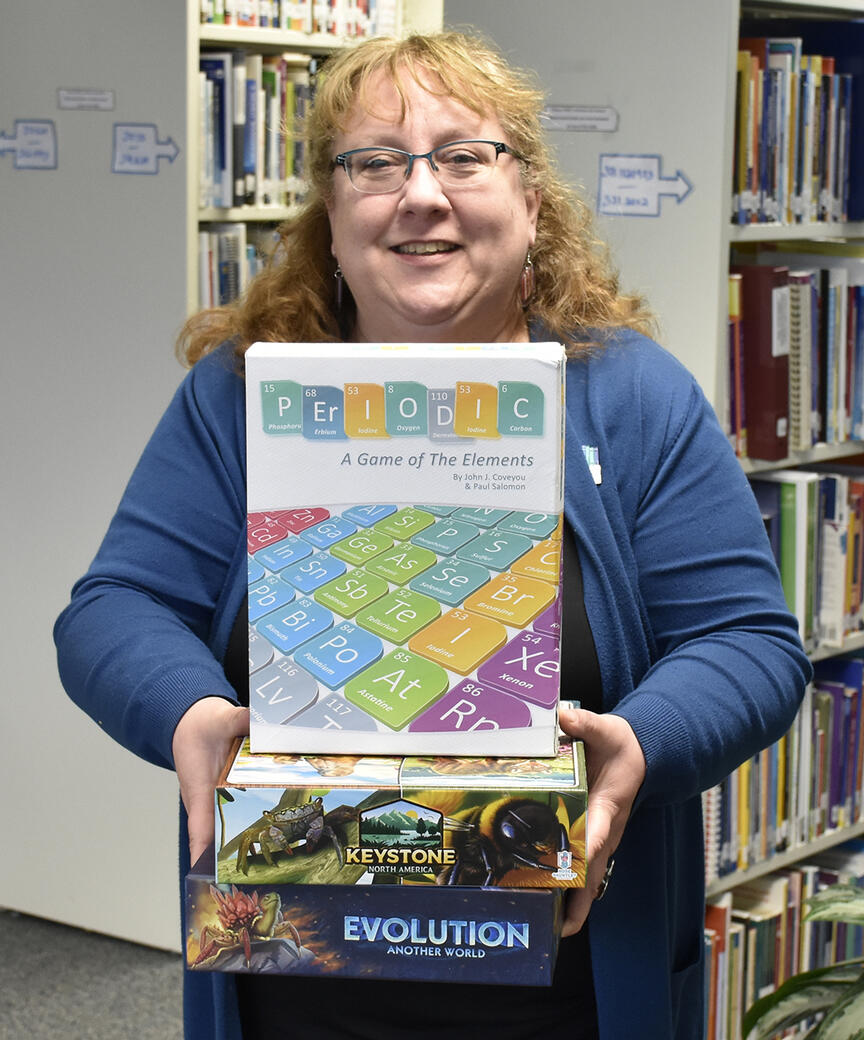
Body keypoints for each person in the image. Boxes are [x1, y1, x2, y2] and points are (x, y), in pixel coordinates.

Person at [54, 29, 810, 1040]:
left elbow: (751, 643)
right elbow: (115, 607)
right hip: (295, 967)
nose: (421, 193)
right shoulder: (238, 398)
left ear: (532, 203)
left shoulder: (632, 395)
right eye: (374, 162)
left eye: (463, 155)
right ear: (331, 214)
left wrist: (639, 742)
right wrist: (184, 708)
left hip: (572, 979)